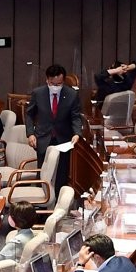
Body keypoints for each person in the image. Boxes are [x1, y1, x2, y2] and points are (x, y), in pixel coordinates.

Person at [25, 64, 82, 194]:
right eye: (53, 83)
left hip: (63, 140)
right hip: (43, 138)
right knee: (43, 174)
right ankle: (41, 203)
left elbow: (75, 117)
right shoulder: (38, 93)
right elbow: (29, 114)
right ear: (47, 80)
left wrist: (77, 133)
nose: (56, 86)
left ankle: (57, 203)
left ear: (63, 81)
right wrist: (30, 134)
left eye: (59, 84)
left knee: (61, 175)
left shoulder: (72, 94)